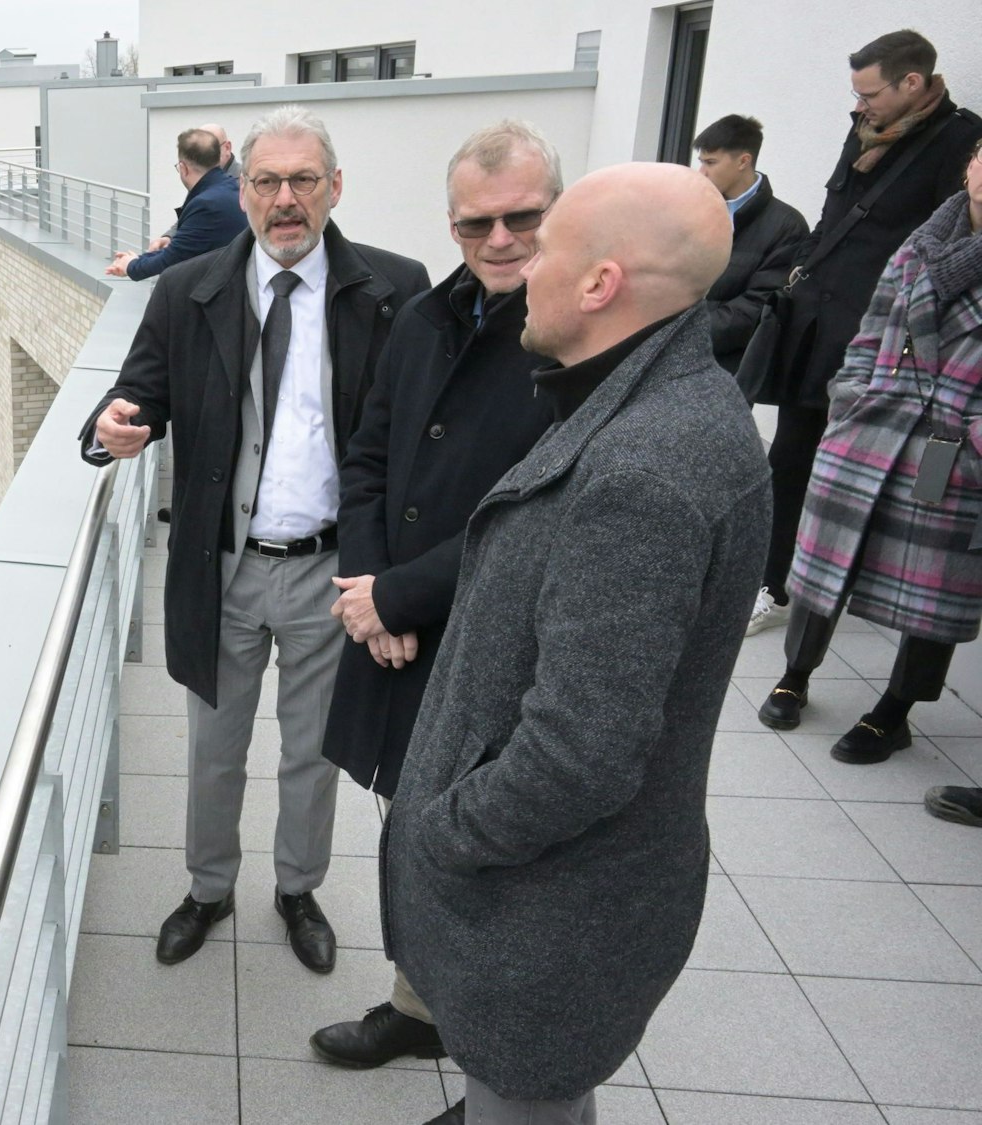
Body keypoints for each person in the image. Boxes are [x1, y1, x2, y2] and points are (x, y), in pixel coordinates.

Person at [385, 162, 766, 1125]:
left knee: (529, 1100)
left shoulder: (643, 469)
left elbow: (581, 753)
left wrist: (447, 829)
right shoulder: (654, 405)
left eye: (547, 243)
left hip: (548, 915)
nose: (523, 263)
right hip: (561, 905)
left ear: (599, 284)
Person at [79, 105, 429, 973]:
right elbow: (136, 395)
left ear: (334, 188)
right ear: (240, 192)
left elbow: (420, 432)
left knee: (313, 751)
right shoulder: (186, 287)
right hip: (223, 567)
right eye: (266, 182)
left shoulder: (394, 288)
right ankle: (206, 888)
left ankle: (298, 888)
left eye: (303, 180)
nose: (284, 200)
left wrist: (397, 577)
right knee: (213, 749)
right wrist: (113, 427)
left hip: (331, 575)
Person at [308, 120, 562, 1071]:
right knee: (409, 822)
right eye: (473, 224)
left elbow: (541, 510)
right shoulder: (421, 316)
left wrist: (399, 597)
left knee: (488, 852)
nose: (497, 240)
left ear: (557, 210)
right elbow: (368, 457)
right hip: (399, 625)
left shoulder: (575, 333)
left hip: (494, 640)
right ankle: (419, 1005)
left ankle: (497, 1055)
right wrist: (370, 590)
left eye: (521, 218)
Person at [745, 29, 982, 637]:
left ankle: (836, 589)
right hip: (818, 322)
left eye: (869, 92)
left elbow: (945, 243)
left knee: (858, 468)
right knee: (792, 455)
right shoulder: (864, 131)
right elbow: (834, 212)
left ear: (912, 83)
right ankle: (771, 582)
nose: (858, 105)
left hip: (886, 338)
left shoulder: (962, 139)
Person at [759, 140, 982, 769]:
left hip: (951, 446)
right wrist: (850, 395)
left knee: (933, 590)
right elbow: (870, 328)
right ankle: (794, 675)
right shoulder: (922, 242)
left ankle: (895, 712)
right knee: (824, 563)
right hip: (871, 426)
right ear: (969, 162)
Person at [694, 114, 810, 380]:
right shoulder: (691, 208)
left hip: (729, 370)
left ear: (743, 161)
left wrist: (685, 333)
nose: (702, 172)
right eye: (701, 162)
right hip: (670, 357)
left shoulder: (786, 226)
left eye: (711, 162)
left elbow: (759, 305)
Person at [106, 127, 244, 281]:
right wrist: (138, 260)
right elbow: (179, 248)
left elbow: (172, 258)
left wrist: (131, 266)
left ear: (183, 168)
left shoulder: (207, 203)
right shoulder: (229, 187)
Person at [146, 123, 240, 254]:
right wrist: (169, 237)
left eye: (212, 150)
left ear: (227, 148)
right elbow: (189, 218)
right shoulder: (204, 178)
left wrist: (134, 265)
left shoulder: (246, 182)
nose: (204, 156)